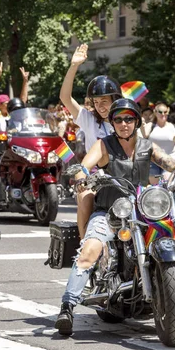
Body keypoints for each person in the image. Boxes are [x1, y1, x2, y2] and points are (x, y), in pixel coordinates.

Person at [55, 99, 175, 336]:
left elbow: (168, 162)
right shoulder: (103, 145)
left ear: (137, 121)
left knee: (174, 235)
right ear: (113, 123)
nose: (123, 124)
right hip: (111, 211)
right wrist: (81, 175)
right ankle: (66, 308)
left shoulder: (146, 146)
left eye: (129, 119)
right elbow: (85, 165)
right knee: (89, 251)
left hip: (141, 208)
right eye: (118, 119)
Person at [59, 43, 122, 237]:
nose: (100, 106)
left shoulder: (126, 119)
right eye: (96, 102)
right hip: (94, 172)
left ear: (115, 99)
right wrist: (74, 66)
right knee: (86, 197)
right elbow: (66, 98)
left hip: (124, 172)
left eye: (104, 101)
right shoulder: (88, 119)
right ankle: (84, 243)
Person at [141, 103, 175, 184]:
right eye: (160, 112)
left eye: (165, 112)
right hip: (153, 161)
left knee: (166, 184)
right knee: (155, 188)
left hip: (169, 160)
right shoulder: (151, 125)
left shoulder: (173, 127)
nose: (163, 114)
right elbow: (144, 135)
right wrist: (142, 126)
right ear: (155, 112)